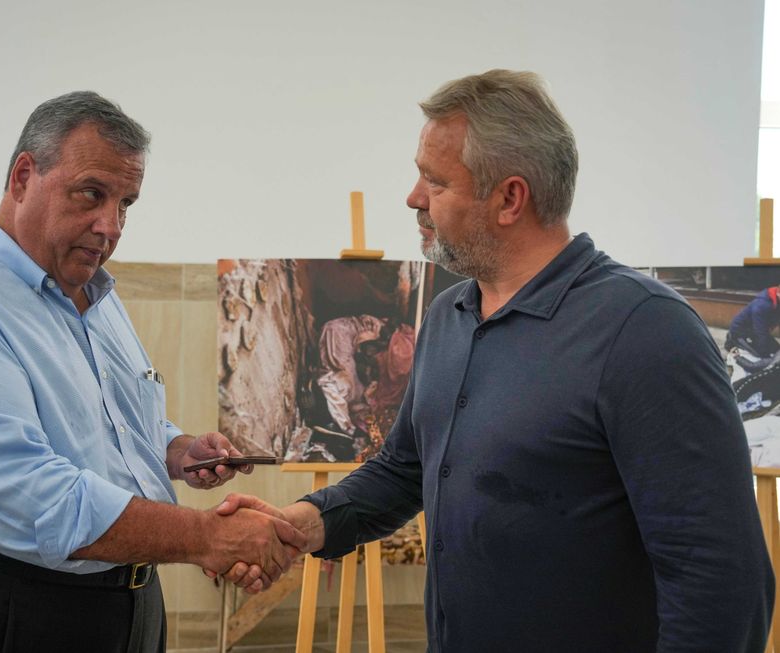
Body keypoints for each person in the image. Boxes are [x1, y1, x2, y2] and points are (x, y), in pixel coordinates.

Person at [215, 70, 775, 651]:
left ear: (510, 198)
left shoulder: (644, 330)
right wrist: (302, 524)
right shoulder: (447, 315)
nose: (413, 198)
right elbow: (405, 470)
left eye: (435, 181)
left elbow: (719, 576)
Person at [0, 91, 304, 653]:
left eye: (126, 203)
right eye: (91, 194)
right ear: (23, 176)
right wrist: (207, 537)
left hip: (111, 599)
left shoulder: (95, 296)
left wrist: (174, 449)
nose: (111, 225)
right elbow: (23, 494)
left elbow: (106, 422)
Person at [726, 284, 780, 359]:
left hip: (755, 331)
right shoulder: (762, 305)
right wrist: (764, 355)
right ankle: (732, 343)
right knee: (761, 357)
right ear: (778, 294)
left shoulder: (776, 301)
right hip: (741, 332)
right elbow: (760, 331)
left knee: (777, 351)